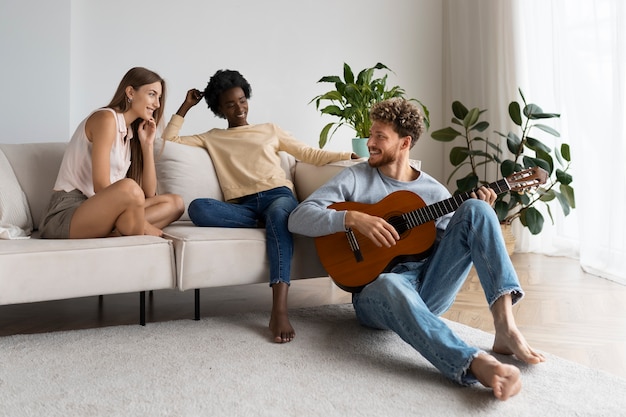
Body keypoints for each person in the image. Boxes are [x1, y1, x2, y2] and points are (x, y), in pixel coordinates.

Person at [288, 97, 545, 400]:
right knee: (389, 282)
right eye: (371, 134)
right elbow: (298, 218)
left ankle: (504, 327)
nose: (369, 142)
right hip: (377, 293)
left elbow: (456, 245)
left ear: (404, 142)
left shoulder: (434, 191)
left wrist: (483, 209)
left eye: (380, 136)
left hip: (429, 285)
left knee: (477, 208)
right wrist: (352, 219)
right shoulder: (355, 177)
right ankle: (473, 363)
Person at [161, 69, 358, 343]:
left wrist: (348, 155)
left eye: (242, 100)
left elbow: (309, 154)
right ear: (220, 109)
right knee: (197, 208)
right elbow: (168, 142)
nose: (239, 108)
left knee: (278, 213)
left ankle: (279, 308)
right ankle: (265, 221)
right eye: (230, 104)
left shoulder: (269, 130)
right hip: (243, 208)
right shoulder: (213, 136)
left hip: (278, 196)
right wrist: (185, 107)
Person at [40, 67, 184, 239]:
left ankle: (122, 229)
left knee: (175, 203)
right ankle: (133, 228)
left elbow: (149, 193)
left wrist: (147, 145)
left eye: (159, 97)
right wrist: (144, 224)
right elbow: (100, 186)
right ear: (130, 92)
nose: (157, 104)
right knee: (129, 187)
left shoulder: (129, 134)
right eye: (152, 94)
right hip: (68, 212)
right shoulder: (106, 119)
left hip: (104, 210)